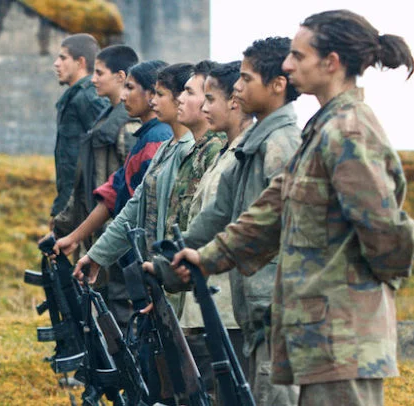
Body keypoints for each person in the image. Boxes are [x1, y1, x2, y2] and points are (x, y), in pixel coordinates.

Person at [170, 10, 414, 406]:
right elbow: (271, 210)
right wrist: (207, 257)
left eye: (298, 56)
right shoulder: (322, 130)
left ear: (330, 62)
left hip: (343, 338)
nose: (287, 64)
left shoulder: (348, 131)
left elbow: (385, 232)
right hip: (317, 338)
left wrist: (366, 293)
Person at [180, 37, 303, 405]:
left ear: (277, 85)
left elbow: (276, 226)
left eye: (247, 79)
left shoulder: (281, 145)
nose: (237, 87)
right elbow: (217, 214)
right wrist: (173, 257)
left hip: (277, 309)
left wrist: (201, 258)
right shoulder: (253, 147)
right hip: (257, 308)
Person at [149, 60, 252, 405]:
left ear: (233, 101)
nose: (203, 106)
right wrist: (166, 269)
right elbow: (202, 224)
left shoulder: (238, 156)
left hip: (227, 309)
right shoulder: (223, 155)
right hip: (206, 304)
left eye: (209, 98)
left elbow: (239, 230)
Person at [52, 60, 171, 326]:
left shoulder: (156, 140)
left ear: (151, 94)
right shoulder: (145, 139)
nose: (124, 96)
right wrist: (74, 237)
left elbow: (142, 210)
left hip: (144, 259)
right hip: (128, 254)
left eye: (131, 88)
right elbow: (113, 193)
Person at [50, 44, 141, 241]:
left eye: (99, 73)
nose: (93, 79)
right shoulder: (103, 119)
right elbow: (83, 178)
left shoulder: (129, 126)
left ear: (120, 77)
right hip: (95, 227)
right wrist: (63, 224)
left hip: (113, 233)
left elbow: (133, 189)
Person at [50, 33, 109, 230]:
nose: (56, 63)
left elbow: (104, 151)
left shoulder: (88, 97)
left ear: (80, 62)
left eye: (63, 57)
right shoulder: (75, 96)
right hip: (71, 207)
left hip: (84, 210)